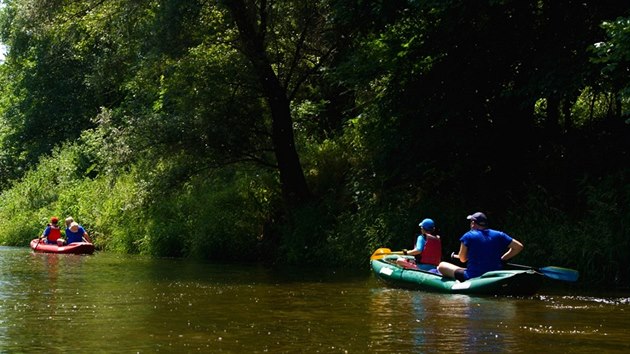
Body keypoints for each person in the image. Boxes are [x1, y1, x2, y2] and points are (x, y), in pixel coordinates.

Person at [437, 212, 523, 282]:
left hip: (473, 276)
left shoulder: (468, 236)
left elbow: (462, 259)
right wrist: (503, 259)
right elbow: (518, 247)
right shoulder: (500, 235)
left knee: (441, 265)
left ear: (473, 223)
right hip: (495, 275)